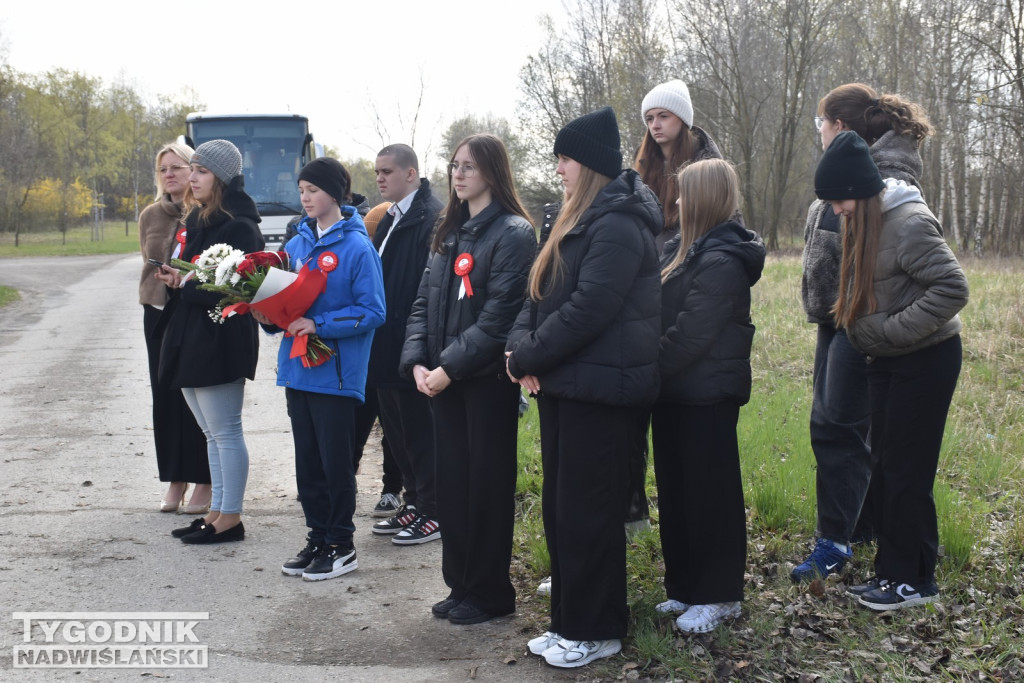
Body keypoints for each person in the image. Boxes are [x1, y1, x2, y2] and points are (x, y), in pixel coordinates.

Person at [506, 107, 661, 668]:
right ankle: (568, 622)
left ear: (590, 164)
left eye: (565, 159)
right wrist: (516, 353)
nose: (558, 169)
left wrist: (529, 355)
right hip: (565, 386)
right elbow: (536, 297)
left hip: (602, 392)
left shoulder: (618, 224)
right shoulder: (572, 220)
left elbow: (590, 309)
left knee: (590, 514)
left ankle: (597, 630)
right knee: (563, 511)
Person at [814, 131, 967, 610]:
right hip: (886, 361)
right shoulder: (863, 219)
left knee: (906, 471)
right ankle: (891, 572)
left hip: (925, 360)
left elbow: (952, 288)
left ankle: (913, 583)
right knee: (884, 466)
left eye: (838, 200)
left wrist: (892, 331)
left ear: (859, 190)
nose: (835, 210)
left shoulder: (909, 223)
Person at [792, 84, 936, 582]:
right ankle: (860, 526)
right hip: (837, 316)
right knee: (850, 426)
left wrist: (865, 318)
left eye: (822, 124)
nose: (820, 132)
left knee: (837, 427)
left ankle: (835, 541)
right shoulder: (855, 170)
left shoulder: (879, 177)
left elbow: (881, 261)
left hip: (859, 318)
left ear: (841, 127)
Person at [400, 134, 536, 625]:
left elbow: (499, 318)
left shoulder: (514, 233)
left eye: (469, 167)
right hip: (442, 380)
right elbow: (422, 303)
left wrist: (447, 369)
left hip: (484, 384)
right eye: (455, 165)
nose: (458, 174)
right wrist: (417, 362)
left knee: (486, 489)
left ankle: (490, 592)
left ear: (493, 173)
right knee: (453, 487)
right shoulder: (449, 231)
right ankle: (461, 585)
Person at [258, 157, 385, 581]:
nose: (305, 198)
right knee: (308, 463)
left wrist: (319, 324)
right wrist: (265, 314)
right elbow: (282, 303)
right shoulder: (296, 244)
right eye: (301, 191)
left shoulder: (358, 247)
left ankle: (341, 544)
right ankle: (317, 538)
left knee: (335, 465)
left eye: (312, 190)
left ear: (335, 192)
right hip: (298, 370)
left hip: (336, 374)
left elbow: (373, 311)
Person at [651, 159, 764, 633]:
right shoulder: (681, 250)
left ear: (704, 198)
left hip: (707, 396)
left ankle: (719, 595)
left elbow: (691, 335)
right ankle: (683, 587)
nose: (676, 201)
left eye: (684, 193)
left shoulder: (723, 260)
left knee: (709, 496)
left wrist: (646, 370)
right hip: (673, 394)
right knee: (676, 493)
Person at [155, 139, 264, 544]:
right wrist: (179, 280)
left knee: (226, 431)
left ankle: (230, 518)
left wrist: (187, 283)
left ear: (221, 177)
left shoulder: (240, 226)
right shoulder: (200, 219)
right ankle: (215, 512)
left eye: (201, 171)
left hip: (220, 340)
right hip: (192, 336)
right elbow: (200, 280)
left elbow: (235, 288)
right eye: (194, 170)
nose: (192, 178)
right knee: (211, 434)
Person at [368, 145, 444, 544]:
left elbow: (428, 287)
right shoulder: (389, 217)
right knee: (397, 434)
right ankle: (413, 503)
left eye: (387, 171)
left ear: (411, 173)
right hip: (384, 343)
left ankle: (434, 510)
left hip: (412, 345)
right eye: (377, 172)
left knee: (420, 433)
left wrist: (418, 345)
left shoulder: (431, 217)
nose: (380, 178)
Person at [138, 142, 210, 514]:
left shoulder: (205, 213)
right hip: (157, 312)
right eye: (163, 168)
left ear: (192, 170)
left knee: (196, 397)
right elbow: (146, 260)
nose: (169, 174)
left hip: (193, 313)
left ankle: (204, 479)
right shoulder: (150, 214)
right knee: (164, 396)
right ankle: (175, 479)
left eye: (176, 167)